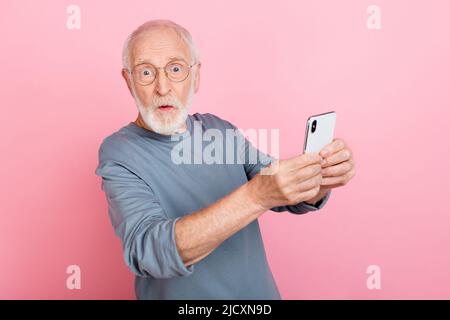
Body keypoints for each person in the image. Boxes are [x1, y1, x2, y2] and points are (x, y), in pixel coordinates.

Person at [95, 19, 356, 299]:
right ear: (129, 81)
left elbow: (281, 190)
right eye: (146, 72)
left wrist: (322, 178)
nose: (163, 87)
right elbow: (149, 251)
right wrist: (256, 197)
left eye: (175, 69)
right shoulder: (119, 153)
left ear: (196, 77)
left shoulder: (219, 130)